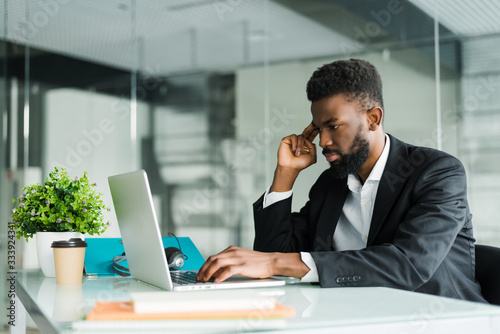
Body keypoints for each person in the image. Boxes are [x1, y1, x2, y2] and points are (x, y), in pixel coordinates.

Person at [196, 58, 486, 303]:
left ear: (373, 118)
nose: (323, 141)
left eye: (333, 126)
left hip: (444, 320)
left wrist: (274, 262)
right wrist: (285, 175)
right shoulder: (329, 185)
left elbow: (408, 265)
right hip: (355, 317)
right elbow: (278, 255)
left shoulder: (437, 172)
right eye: (319, 128)